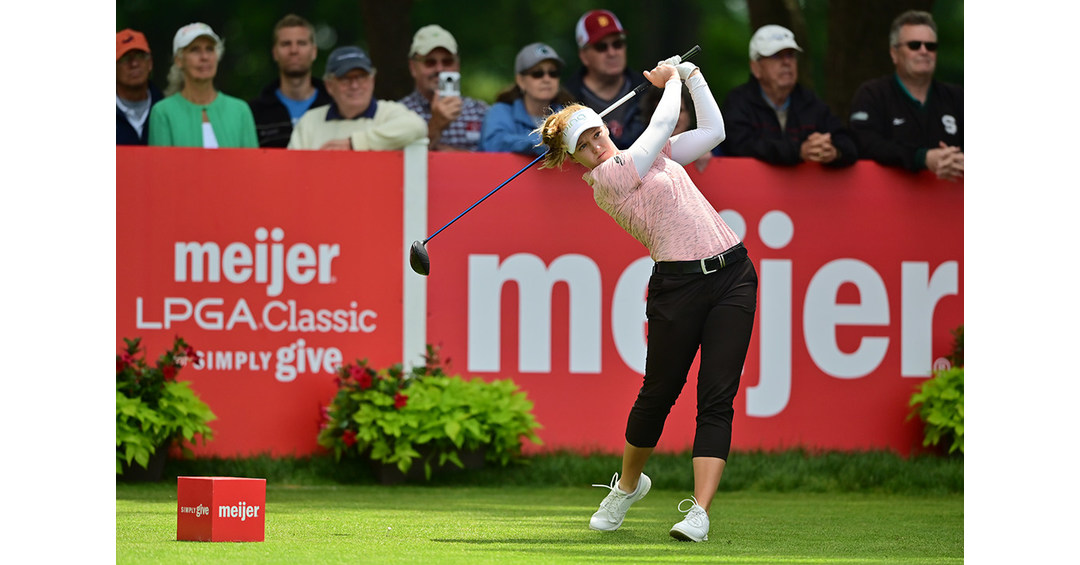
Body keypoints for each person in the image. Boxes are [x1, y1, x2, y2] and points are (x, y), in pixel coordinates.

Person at [537, 58, 756, 543]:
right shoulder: (609, 179)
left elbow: (714, 130)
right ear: (575, 159)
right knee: (657, 394)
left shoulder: (653, 155)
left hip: (734, 276)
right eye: (584, 146)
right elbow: (659, 126)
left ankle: (698, 512)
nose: (596, 146)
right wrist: (671, 81)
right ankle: (628, 487)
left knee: (716, 397)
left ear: (604, 124)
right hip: (677, 289)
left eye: (596, 133)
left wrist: (695, 78)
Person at [718, 25, 856, 167]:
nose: (786, 62)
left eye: (790, 55)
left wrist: (833, 151)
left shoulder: (809, 101)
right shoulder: (738, 101)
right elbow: (739, 146)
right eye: (776, 56)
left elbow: (849, 143)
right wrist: (798, 151)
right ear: (756, 68)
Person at [848, 10, 962, 181]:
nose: (924, 51)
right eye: (914, 45)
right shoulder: (873, 94)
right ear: (894, 53)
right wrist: (922, 158)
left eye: (931, 46)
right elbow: (863, 143)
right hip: (888, 204)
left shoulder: (958, 97)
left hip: (952, 203)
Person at [287, 46, 426, 151]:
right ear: (329, 86)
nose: (354, 86)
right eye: (345, 78)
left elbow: (417, 126)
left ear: (372, 80)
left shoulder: (388, 112)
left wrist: (354, 143)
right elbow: (293, 169)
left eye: (361, 77)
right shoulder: (309, 122)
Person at [148, 22, 258, 148]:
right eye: (195, 50)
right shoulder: (163, 112)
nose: (204, 57)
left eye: (210, 49)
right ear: (179, 60)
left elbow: (251, 166)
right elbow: (160, 167)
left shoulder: (240, 111)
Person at [564, 9, 646, 149]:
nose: (612, 52)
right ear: (584, 55)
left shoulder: (649, 90)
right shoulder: (565, 103)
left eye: (617, 43)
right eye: (601, 47)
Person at [399, 25, 488, 151]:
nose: (439, 69)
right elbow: (398, 163)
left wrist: (447, 154)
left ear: (457, 65)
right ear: (413, 67)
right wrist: (435, 125)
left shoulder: (480, 111)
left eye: (447, 61)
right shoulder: (399, 112)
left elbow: (498, 161)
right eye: (430, 62)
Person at [249, 14, 332, 148]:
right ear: (275, 53)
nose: (294, 50)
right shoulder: (254, 112)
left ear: (314, 52)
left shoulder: (334, 106)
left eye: (301, 43)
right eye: (286, 44)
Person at [478, 42, 575, 155]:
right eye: (537, 73)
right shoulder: (500, 111)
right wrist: (546, 141)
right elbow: (494, 145)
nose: (547, 79)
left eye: (553, 73)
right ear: (520, 81)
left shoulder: (569, 116)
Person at [117, 29, 165, 145]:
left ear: (150, 63)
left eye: (140, 56)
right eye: (125, 58)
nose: (134, 64)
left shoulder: (165, 109)